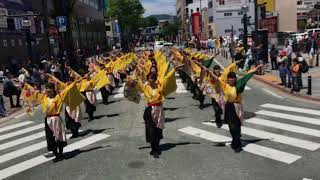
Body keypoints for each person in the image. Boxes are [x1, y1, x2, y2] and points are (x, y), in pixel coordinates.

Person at [21, 82, 85, 161]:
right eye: (46, 88)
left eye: (49, 88)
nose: (47, 90)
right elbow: (33, 91)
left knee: (60, 137)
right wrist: (26, 85)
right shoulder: (43, 97)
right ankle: (56, 155)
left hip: (57, 119)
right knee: (50, 138)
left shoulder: (59, 97)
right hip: (48, 120)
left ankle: (61, 154)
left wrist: (74, 83)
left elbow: (67, 90)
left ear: (53, 89)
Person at [208, 63, 263, 153]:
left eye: (233, 78)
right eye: (229, 78)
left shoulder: (238, 86)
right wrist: (206, 70)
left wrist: (255, 69)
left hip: (237, 107)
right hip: (228, 107)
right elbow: (215, 79)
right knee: (231, 127)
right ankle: (235, 140)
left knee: (237, 126)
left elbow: (246, 77)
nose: (231, 79)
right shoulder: (224, 85)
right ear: (227, 79)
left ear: (235, 79)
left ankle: (237, 145)